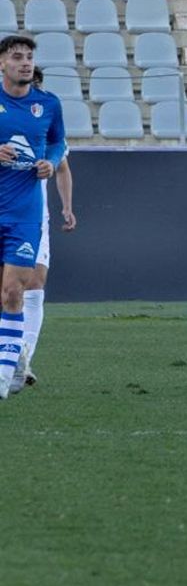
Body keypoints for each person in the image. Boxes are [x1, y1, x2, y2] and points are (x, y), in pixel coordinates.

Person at [0, 36, 67, 400]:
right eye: (17, 57)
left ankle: (12, 367)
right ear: (2, 64)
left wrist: (51, 163)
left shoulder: (48, 106)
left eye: (29, 57)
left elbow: (60, 147)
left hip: (29, 212)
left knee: (23, 287)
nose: (25, 63)